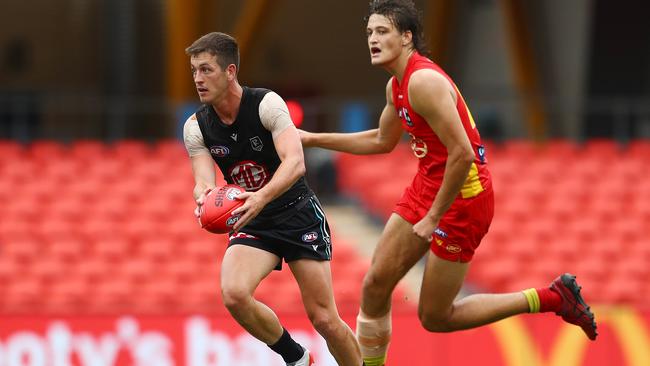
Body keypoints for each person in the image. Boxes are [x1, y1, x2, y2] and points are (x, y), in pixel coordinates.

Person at [299, 1, 598, 365]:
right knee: (375, 285)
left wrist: (432, 218)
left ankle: (552, 298)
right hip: (429, 184)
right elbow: (381, 140)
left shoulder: (423, 81)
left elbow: (463, 154)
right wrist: (312, 138)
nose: (372, 40)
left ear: (407, 37)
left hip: (463, 199)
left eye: (382, 32)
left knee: (436, 318)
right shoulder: (397, 86)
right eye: (369, 33)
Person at [183, 32, 364, 366]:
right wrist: (204, 196)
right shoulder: (196, 127)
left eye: (206, 69)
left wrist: (261, 197)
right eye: (194, 70)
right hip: (253, 219)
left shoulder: (267, 104)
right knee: (234, 294)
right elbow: (203, 181)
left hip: (296, 212)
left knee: (324, 319)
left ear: (230, 72)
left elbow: (295, 163)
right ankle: (297, 358)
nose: (197, 79)